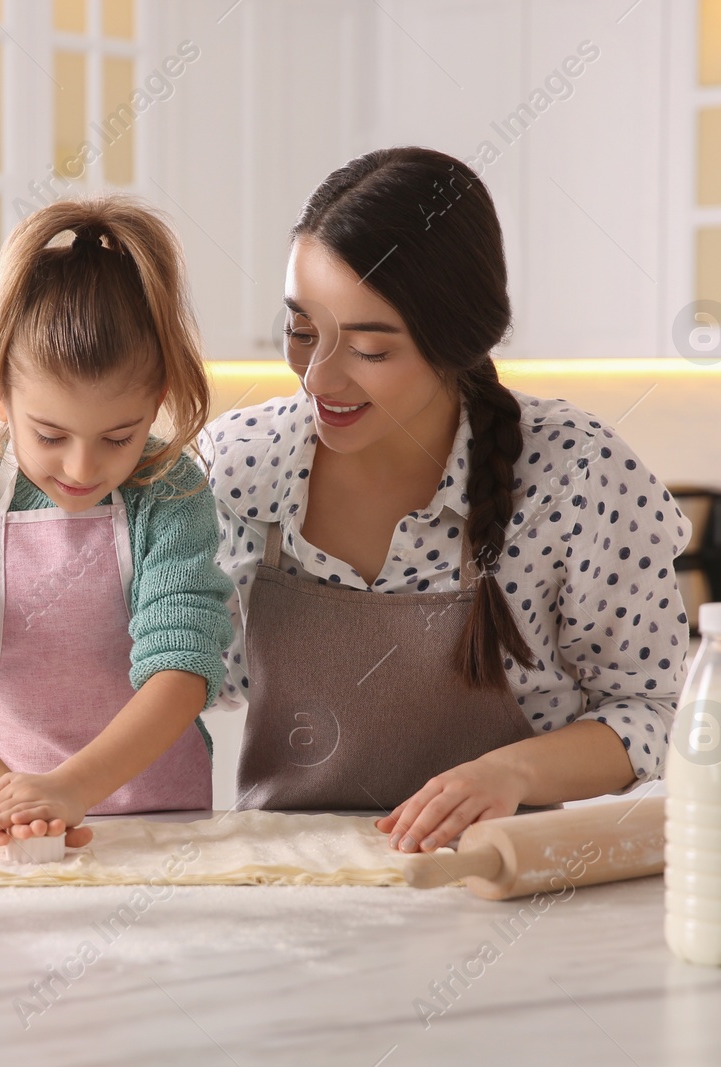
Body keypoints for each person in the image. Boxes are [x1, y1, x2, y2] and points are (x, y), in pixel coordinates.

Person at [201, 147, 694, 854]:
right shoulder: (238, 466)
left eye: (370, 350)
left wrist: (511, 771)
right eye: (301, 331)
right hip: (292, 893)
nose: (317, 377)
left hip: (509, 891)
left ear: (456, 342)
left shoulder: (581, 474)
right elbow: (180, 677)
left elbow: (651, 711)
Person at [0, 195, 233, 848]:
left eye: (120, 437)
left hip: (156, 827)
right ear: (1, 394)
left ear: (157, 399)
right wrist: (4, 802)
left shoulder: (171, 489)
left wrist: (71, 789)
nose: (81, 465)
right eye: (50, 435)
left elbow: (183, 665)